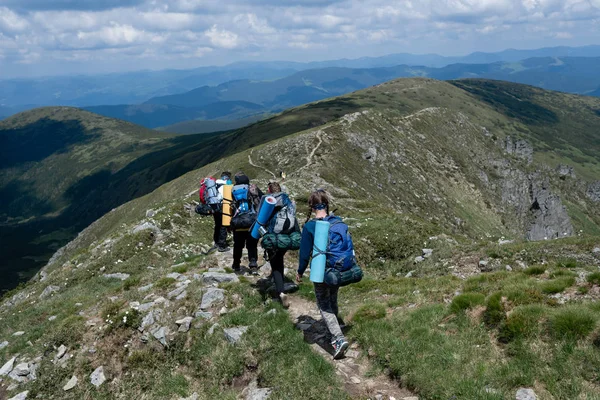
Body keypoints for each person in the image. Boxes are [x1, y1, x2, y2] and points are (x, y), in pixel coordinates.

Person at [296, 189, 349, 359]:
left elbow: (304, 254)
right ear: (326, 204)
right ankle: (334, 328)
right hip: (338, 268)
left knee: (323, 303)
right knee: (332, 298)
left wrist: (299, 272)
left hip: (321, 270)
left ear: (311, 207)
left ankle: (338, 338)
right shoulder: (337, 221)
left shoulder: (311, 226)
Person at [261, 181, 297, 307]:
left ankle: (281, 292)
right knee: (279, 259)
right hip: (286, 237)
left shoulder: (268, 201)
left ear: (270, 190)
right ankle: (280, 283)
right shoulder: (287, 201)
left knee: (275, 264)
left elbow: (261, 220)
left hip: (273, 237)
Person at [230, 172, 263, 272]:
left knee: (238, 245)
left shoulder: (233, 190)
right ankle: (253, 264)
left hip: (238, 222)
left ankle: (236, 264)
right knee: (252, 244)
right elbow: (261, 200)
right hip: (251, 222)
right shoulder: (252, 188)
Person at [209, 171, 231, 253]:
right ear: (227, 178)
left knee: (217, 225)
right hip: (221, 207)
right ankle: (222, 245)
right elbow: (224, 197)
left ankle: (216, 242)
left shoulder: (215, 183)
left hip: (214, 207)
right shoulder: (225, 185)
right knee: (223, 225)